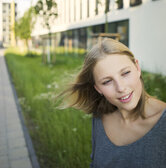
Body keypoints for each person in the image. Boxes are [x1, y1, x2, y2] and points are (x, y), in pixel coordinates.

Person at [60, 38, 166, 168]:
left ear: (137, 68)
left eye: (125, 73)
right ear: (98, 88)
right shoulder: (99, 117)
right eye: (107, 82)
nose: (120, 88)